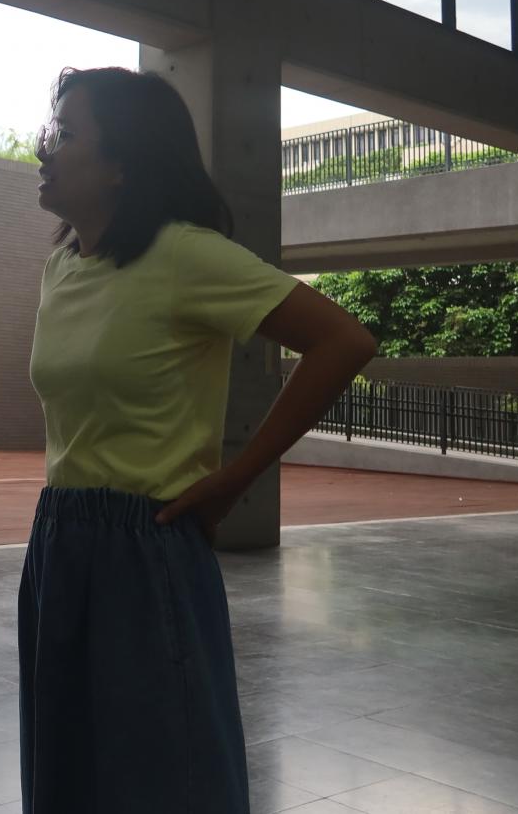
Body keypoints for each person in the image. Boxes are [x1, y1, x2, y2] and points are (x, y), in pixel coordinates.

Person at [21, 66, 377, 812]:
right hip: (59, 541)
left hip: (147, 542)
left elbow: (343, 341)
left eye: (66, 132)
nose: (44, 147)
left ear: (122, 162)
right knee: (66, 770)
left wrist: (236, 477)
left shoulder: (186, 254)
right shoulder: (61, 266)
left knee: (163, 778)